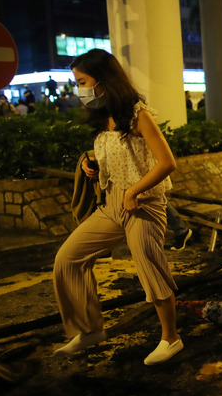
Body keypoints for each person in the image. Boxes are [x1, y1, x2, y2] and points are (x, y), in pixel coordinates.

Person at [52, 48, 185, 366]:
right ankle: (88, 329)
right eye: (77, 83)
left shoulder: (139, 116)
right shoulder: (102, 118)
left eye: (82, 82)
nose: (79, 89)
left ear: (103, 81)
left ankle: (171, 338)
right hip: (112, 204)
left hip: (143, 204)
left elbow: (167, 163)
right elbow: (116, 158)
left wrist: (135, 190)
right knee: (67, 259)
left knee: (149, 267)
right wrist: (92, 165)